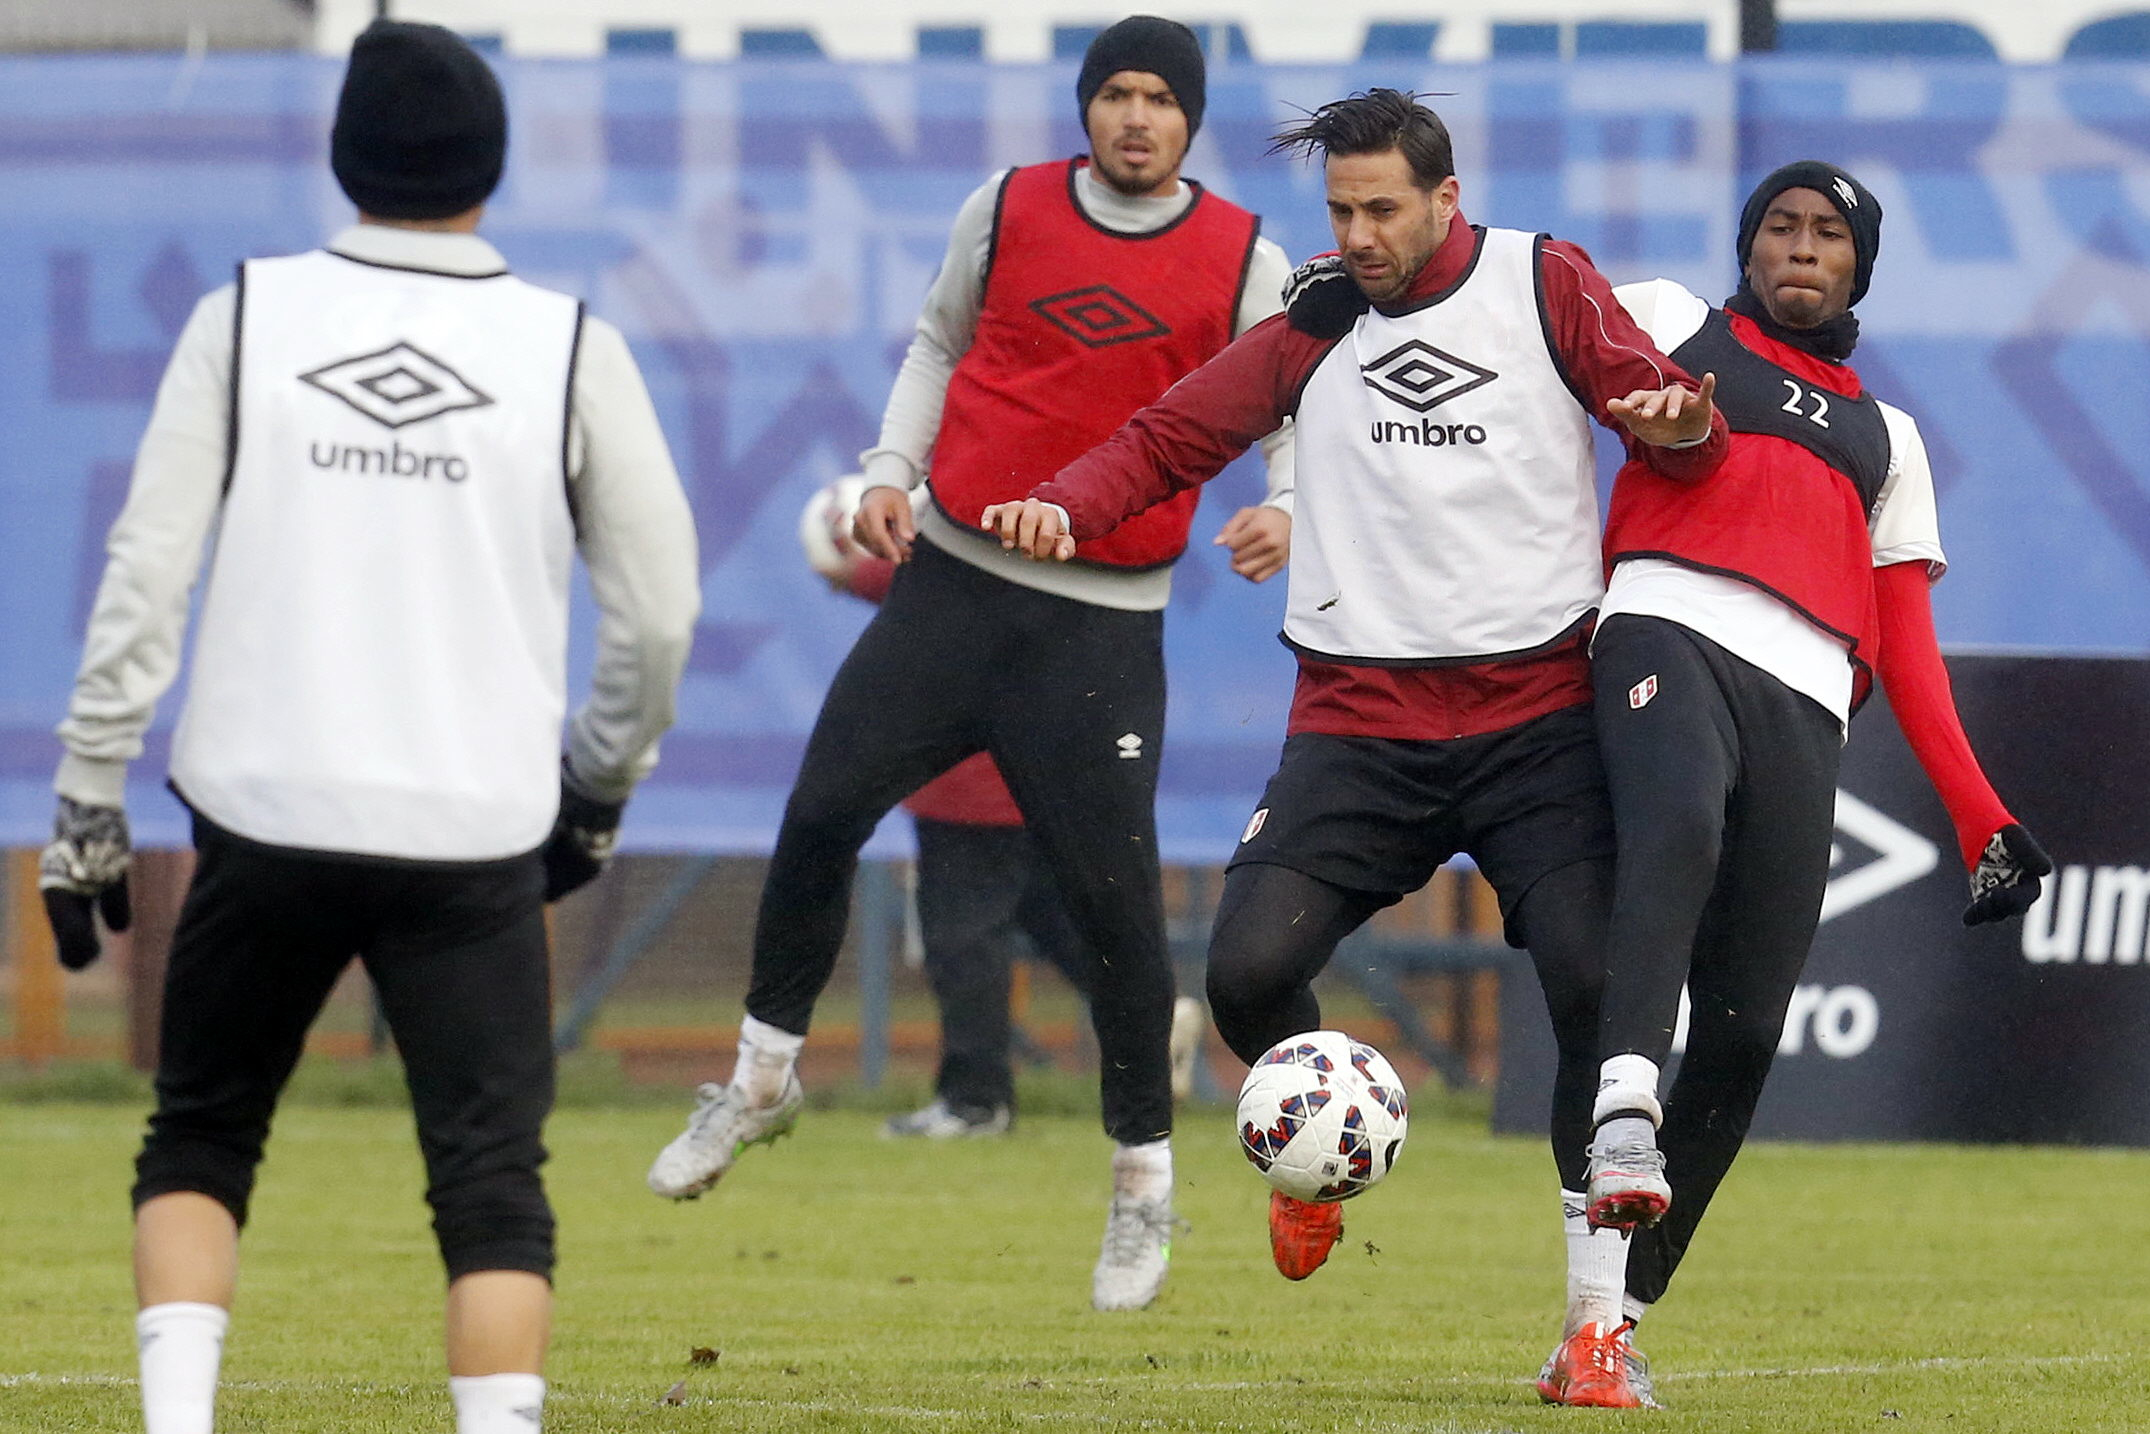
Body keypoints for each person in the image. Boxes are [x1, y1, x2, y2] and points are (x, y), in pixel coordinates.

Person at [982, 88, 1720, 1397]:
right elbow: (1171, 435)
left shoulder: (1543, 281)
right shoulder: (1317, 318)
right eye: (1340, 211)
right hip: (1358, 724)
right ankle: (1317, 1158)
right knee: (1247, 975)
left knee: (1591, 987)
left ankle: (1596, 1331)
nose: (1360, 235)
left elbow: (1658, 414)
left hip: (1539, 720)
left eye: (1383, 209)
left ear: (1445, 197)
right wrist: (1064, 503)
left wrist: (1683, 426)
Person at [34, 22, 701, 1434]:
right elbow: (659, 617)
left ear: (343, 158)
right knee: (491, 1187)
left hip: (261, 815)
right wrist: (598, 786)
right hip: (475, 836)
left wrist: (90, 790)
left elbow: (145, 576)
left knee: (201, 1136)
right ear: (492, 167)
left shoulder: (245, 316)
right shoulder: (568, 346)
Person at [646, 15, 1294, 1314]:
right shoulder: (1004, 207)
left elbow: (1289, 404)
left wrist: (1289, 502)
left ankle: (1141, 1190)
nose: (1135, 116)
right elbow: (938, 345)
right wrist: (891, 470)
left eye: (1160, 99)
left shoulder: (1244, 257)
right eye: (1115, 92)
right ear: (1085, 106)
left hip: (1100, 625)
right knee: (820, 811)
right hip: (951, 584)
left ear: (1190, 120)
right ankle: (761, 1080)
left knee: (1117, 915)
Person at [1557, 161, 2051, 1402]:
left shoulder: (1890, 440)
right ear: (1747, 246)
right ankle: (1624, 1106)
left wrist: (1981, 816)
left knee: (1745, 1032)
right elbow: (1525, 316)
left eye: (1827, 235)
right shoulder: (1672, 321)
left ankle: (1607, 1324)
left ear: (1857, 269)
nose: (1798, 248)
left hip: (1807, 696)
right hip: (1664, 623)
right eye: (1778, 226)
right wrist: (1376, 289)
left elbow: (1909, 647)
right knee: (1675, 826)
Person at [796, 480, 1211, 1137]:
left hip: (971, 785)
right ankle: (1152, 1020)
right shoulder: (1035, 521)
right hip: (1027, 772)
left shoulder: (972, 521)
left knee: (961, 939)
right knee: (1059, 919)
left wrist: (848, 567)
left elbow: (914, 579)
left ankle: (975, 1100)